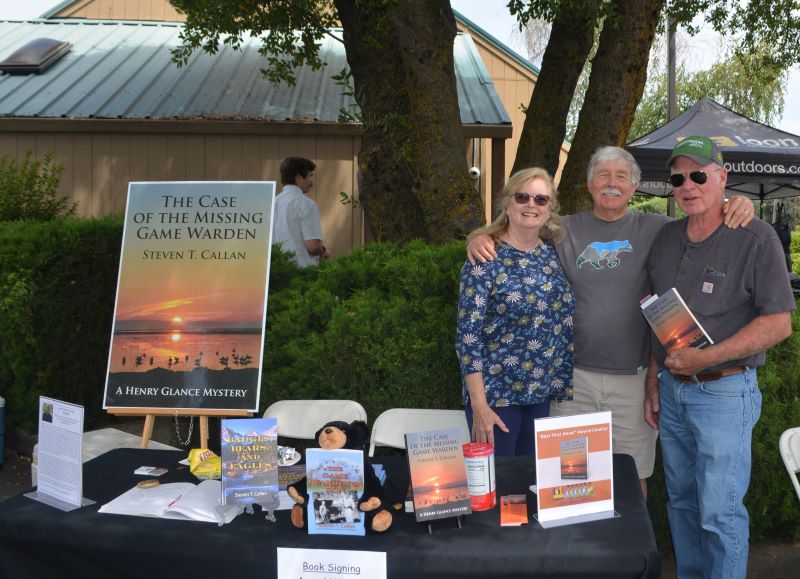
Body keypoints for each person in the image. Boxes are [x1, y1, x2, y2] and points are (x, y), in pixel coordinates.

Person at [468, 146, 754, 496]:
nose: (612, 183)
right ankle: (576, 548)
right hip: (572, 383)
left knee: (631, 478)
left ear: (635, 187)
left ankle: (630, 551)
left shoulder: (659, 229)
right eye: (603, 174)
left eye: (622, 176)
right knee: (567, 483)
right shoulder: (560, 230)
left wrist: (735, 204)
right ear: (589, 184)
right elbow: (517, 234)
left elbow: (703, 220)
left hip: (632, 383)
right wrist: (479, 237)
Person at [645, 135, 794, 578]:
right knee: (683, 507)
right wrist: (654, 379)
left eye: (698, 175)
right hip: (672, 395)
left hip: (725, 394)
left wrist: (705, 358)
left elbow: (778, 325)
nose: (688, 185)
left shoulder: (756, 237)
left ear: (722, 178)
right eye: (678, 177)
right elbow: (657, 316)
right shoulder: (665, 238)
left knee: (719, 513)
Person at [456, 167, 575, 456]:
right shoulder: (486, 257)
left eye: (541, 199)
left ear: (550, 210)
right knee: (499, 488)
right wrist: (479, 405)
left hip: (541, 393)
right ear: (508, 204)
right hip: (497, 397)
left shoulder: (550, 253)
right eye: (523, 197)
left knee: (531, 486)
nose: (531, 205)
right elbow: (467, 339)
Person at [273, 156, 330, 267]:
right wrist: (323, 250)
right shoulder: (307, 205)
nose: (311, 181)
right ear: (298, 177)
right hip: (301, 273)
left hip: (276, 272)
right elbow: (313, 247)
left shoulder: (272, 203)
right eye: (309, 176)